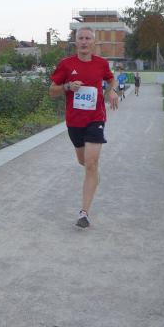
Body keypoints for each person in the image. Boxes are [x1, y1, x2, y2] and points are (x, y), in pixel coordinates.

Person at [49, 26, 119, 228]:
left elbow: (111, 79)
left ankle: (84, 213)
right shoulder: (66, 64)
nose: (84, 41)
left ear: (93, 42)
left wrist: (111, 90)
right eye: (81, 38)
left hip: (95, 119)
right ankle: (93, 174)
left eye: (88, 38)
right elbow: (51, 91)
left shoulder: (101, 64)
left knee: (90, 163)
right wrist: (67, 87)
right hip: (74, 122)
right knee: (84, 162)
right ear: (76, 42)